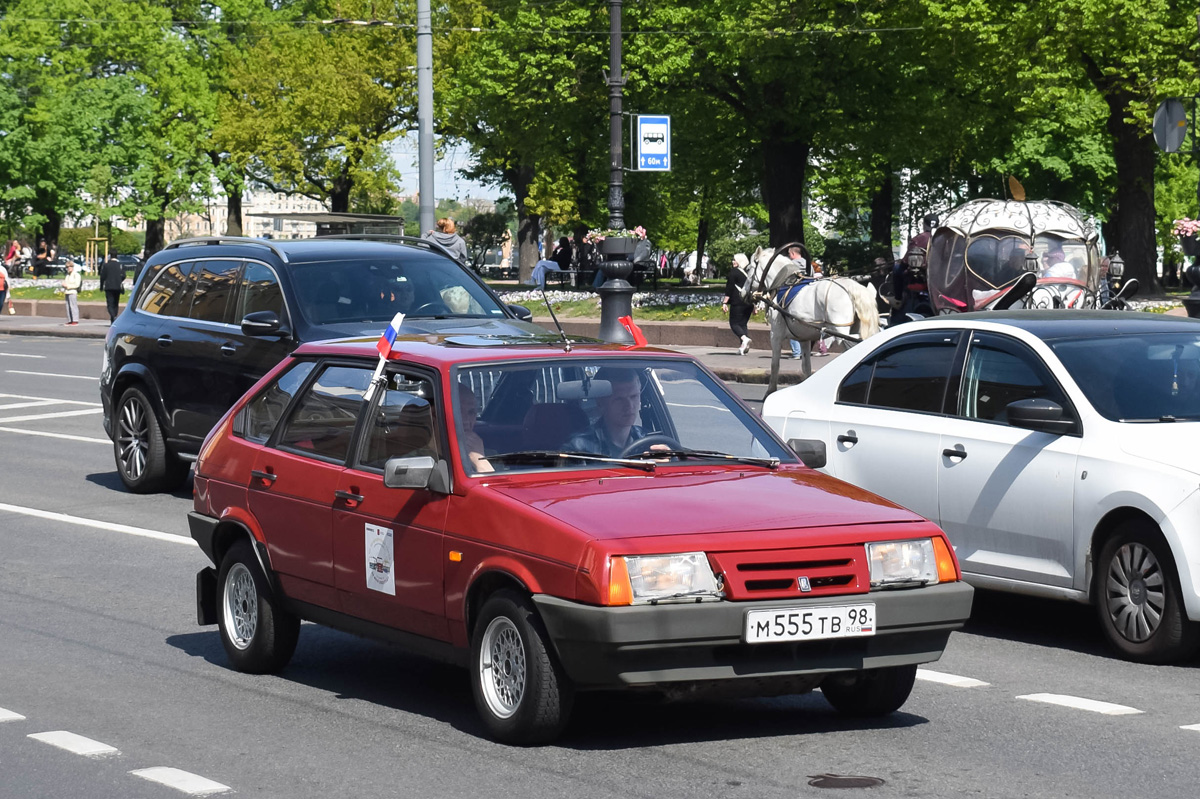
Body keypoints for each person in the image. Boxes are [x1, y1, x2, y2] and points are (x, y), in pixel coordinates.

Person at [562, 368, 648, 457]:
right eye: (619, 399)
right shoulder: (578, 447)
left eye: (634, 396)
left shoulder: (648, 440)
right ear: (600, 403)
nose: (629, 406)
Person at [457, 382, 492, 474]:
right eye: (458, 411)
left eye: (471, 412)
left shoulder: (493, 456)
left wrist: (480, 459)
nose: (465, 420)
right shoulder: (423, 459)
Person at [722, 253, 754, 355]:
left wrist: (725, 302)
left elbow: (730, 288)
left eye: (734, 260)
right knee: (743, 324)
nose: (732, 262)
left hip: (738, 301)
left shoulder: (734, 272)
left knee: (734, 323)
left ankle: (744, 339)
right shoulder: (749, 273)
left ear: (739, 261)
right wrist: (755, 305)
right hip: (749, 303)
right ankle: (743, 347)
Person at [99, 254, 125, 323]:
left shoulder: (106, 265)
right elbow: (124, 275)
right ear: (117, 256)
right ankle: (114, 317)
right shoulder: (119, 265)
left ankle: (113, 316)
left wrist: (101, 286)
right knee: (116, 303)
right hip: (117, 286)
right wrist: (119, 280)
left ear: (110, 256)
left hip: (109, 286)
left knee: (110, 304)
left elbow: (102, 276)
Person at [61, 260, 81, 325]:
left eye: (70, 267)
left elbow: (77, 285)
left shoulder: (76, 275)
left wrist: (68, 286)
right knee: (68, 306)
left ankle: (75, 320)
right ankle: (70, 320)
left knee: (73, 306)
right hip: (67, 292)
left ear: (72, 267)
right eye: (67, 267)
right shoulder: (67, 275)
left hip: (72, 292)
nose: (68, 268)